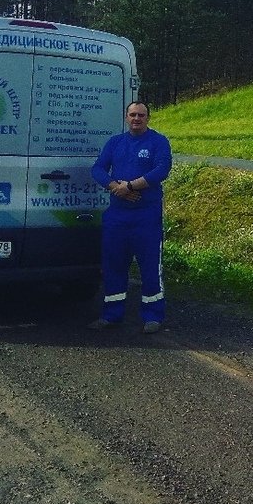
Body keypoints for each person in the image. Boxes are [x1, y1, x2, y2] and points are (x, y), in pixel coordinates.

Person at [89, 100, 173, 333]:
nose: (137, 119)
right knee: (113, 265)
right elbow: (97, 169)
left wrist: (131, 186)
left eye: (141, 115)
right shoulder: (115, 143)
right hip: (117, 216)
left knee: (149, 266)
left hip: (146, 217)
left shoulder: (158, 142)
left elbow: (161, 170)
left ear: (148, 118)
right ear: (126, 117)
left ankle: (152, 316)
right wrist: (115, 186)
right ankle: (111, 314)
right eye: (133, 115)